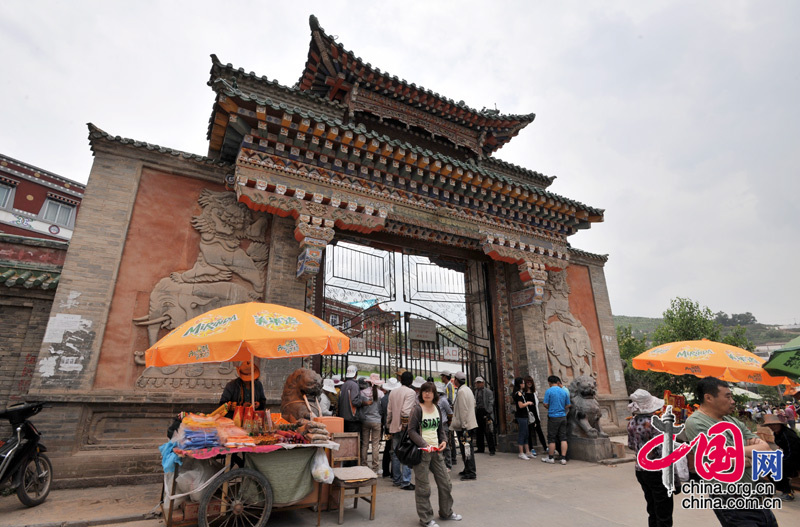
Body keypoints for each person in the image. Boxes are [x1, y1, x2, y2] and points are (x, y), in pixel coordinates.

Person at [682, 377, 776, 527]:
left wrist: (737, 455)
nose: (732, 401)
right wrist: (748, 454)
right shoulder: (696, 422)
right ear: (709, 398)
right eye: (728, 396)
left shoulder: (732, 421)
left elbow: (765, 449)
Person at [408, 381, 463, 527]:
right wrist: (424, 445)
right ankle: (426, 519)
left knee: (446, 483)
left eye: (430, 391)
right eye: (424, 391)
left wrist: (444, 441)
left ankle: (446, 512)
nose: (427, 394)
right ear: (421, 394)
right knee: (423, 487)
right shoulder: (417, 409)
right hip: (422, 453)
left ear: (434, 395)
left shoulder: (437, 408)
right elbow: (411, 431)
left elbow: (440, 429)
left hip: (437, 452)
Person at [627, 389, 672, 527]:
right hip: (656, 471)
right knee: (663, 510)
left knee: (652, 508)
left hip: (640, 470)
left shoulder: (631, 423)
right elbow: (662, 450)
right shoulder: (654, 424)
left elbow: (630, 445)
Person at [387, 371, 418, 490]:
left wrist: (389, 424)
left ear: (401, 380)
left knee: (395, 453)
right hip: (405, 427)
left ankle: (396, 479)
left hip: (394, 426)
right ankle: (405, 481)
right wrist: (405, 424)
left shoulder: (393, 392)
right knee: (406, 453)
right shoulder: (410, 392)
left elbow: (389, 411)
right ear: (411, 381)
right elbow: (405, 411)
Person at [762, 414, 800, 501]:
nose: (772, 427)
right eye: (770, 425)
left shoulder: (788, 434)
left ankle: (787, 492)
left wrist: (780, 460)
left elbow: (794, 452)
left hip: (796, 459)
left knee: (775, 467)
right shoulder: (778, 433)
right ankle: (783, 487)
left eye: (774, 424)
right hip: (789, 457)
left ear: (779, 424)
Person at [450, 371, 478, 480]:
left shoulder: (461, 391)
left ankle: (471, 472)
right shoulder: (468, 389)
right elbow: (473, 404)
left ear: (457, 380)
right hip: (469, 423)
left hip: (464, 426)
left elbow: (463, 410)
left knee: (466, 449)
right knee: (466, 448)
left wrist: (464, 425)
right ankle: (467, 469)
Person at [541, 375, 570, 465]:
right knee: (563, 438)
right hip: (563, 416)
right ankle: (563, 458)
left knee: (552, 438)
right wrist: (561, 408)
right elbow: (568, 405)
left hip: (553, 417)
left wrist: (551, 407)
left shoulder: (549, 391)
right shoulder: (564, 391)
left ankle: (550, 458)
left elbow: (545, 403)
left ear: (549, 382)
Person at [359, 376, 383, 473]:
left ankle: (364, 464)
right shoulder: (381, 393)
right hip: (376, 420)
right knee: (375, 444)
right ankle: (375, 467)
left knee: (365, 444)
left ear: (368, 383)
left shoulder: (362, 392)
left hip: (365, 420)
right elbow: (381, 409)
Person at [338, 365, 371, 435]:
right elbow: (354, 401)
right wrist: (365, 403)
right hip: (352, 418)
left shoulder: (344, 385)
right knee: (354, 440)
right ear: (356, 374)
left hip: (343, 417)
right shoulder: (354, 385)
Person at [512, 377, 534, 460]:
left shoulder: (521, 393)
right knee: (522, 433)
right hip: (521, 416)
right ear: (520, 384)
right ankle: (521, 452)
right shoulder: (518, 394)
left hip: (524, 415)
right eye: (523, 383)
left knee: (526, 434)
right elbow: (521, 405)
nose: (524, 385)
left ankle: (527, 451)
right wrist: (528, 403)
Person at [523, 376, 546, 456]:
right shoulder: (523, 393)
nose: (529, 383)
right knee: (529, 432)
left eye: (531, 382)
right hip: (528, 415)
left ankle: (545, 447)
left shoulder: (534, 393)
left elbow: (536, 405)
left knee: (539, 431)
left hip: (535, 414)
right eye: (528, 382)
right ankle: (531, 448)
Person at [382, 377, 399, 478]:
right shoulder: (396, 397)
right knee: (395, 448)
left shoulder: (384, 398)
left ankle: (385, 470)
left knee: (387, 447)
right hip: (395, 425)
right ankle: (394, 472)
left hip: (387, 426)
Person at [473, 376, 496, 456]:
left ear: (483, 383)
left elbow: (491, 402)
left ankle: (492, 449)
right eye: (477, 383)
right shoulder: (476, 392)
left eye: (480, 382)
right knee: (479, 431)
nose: (478, 384)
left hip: (485, 412)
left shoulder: (488, 392)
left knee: (488, 431)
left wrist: (488, 412)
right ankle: (480, 448)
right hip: (478, 411)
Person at [440, 371, 458, 467]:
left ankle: (452, 458)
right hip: (447, 411)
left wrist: (448, 409)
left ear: (445, 377)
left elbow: (450, 399)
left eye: (442, 376)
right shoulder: (446, 386)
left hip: (448, 411)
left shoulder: (449, 386)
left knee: (449, 437)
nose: (441, 378)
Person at [436, 382, 454, 469]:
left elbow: (450, 412)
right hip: (436, 424)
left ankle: (448, 464)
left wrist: (449, 421)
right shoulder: (434, 400)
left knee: (445, 445)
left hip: (443, 424)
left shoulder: (443, 400)